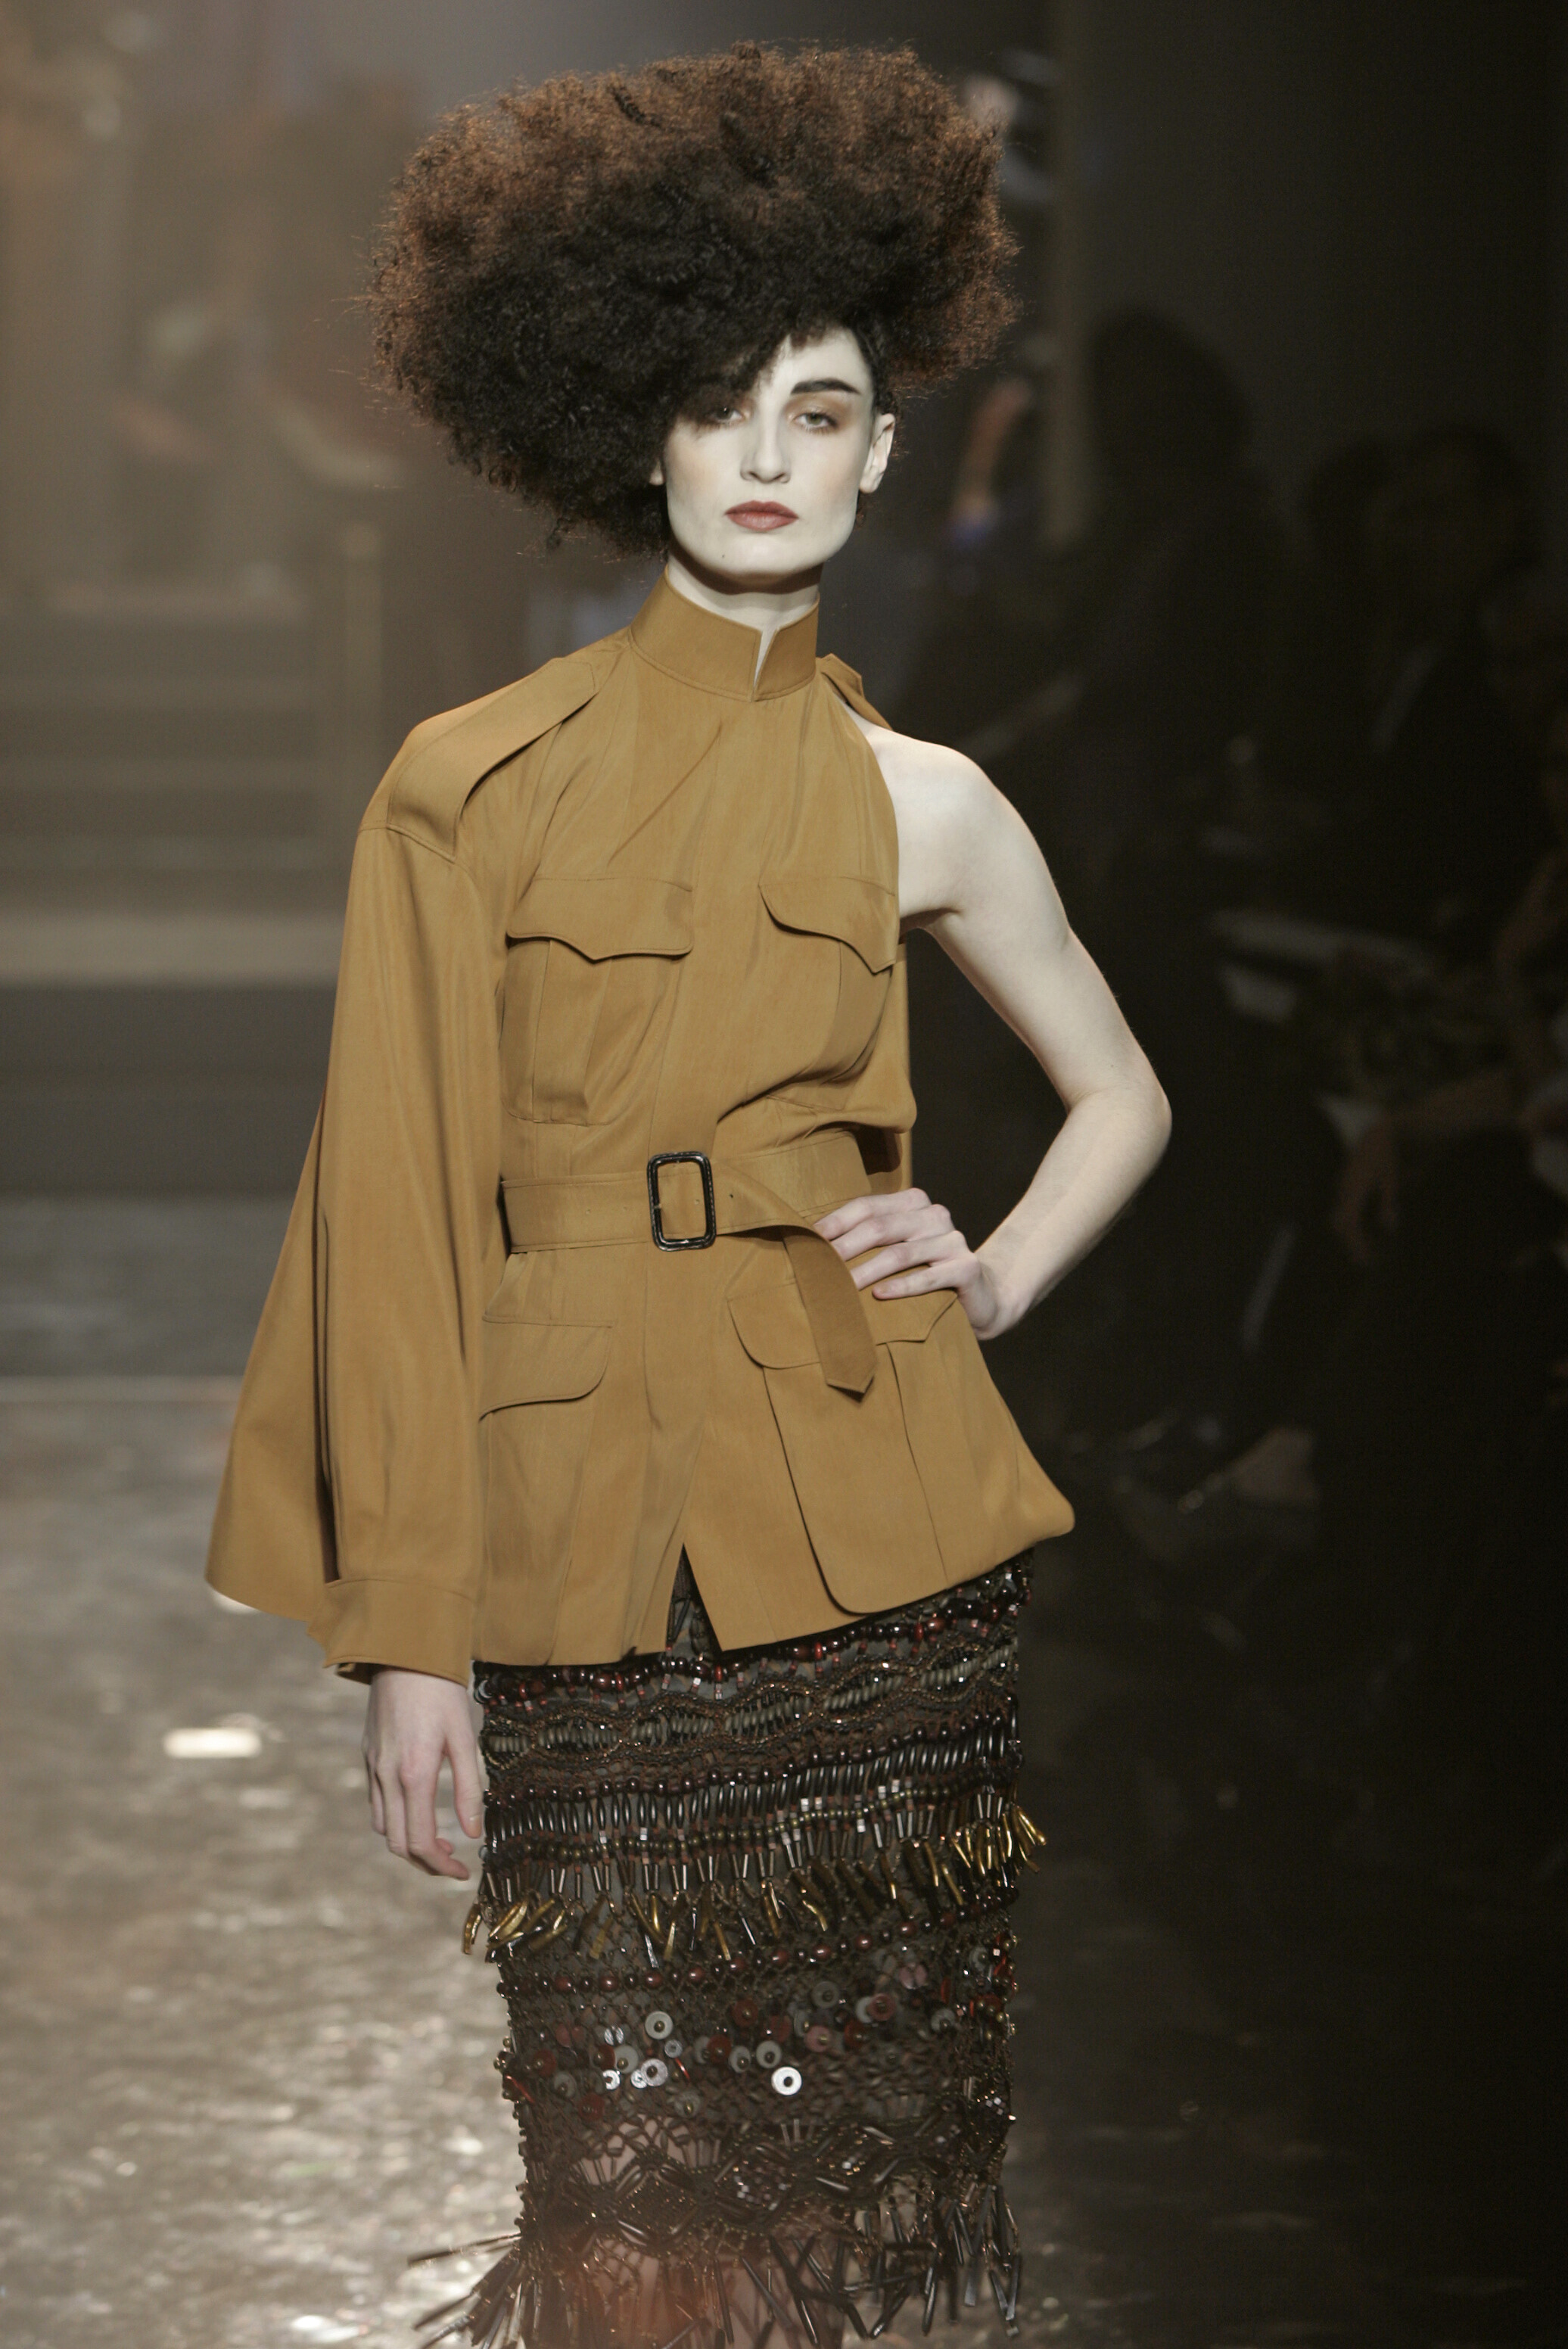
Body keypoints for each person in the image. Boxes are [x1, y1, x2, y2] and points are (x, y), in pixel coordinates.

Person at [205, 46, 1170, 2349]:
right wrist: (410, 1640)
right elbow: (392, 1220)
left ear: (883, 449)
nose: (764, 454)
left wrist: (992, 1275)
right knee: (621, 2154)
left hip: (875, 1522)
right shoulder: (470, 788)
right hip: (578, 1535)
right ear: (638, 431)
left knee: (830, 2158)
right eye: (722, 405)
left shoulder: (930, 801)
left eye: (817, 412)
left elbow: (1126, 1092)